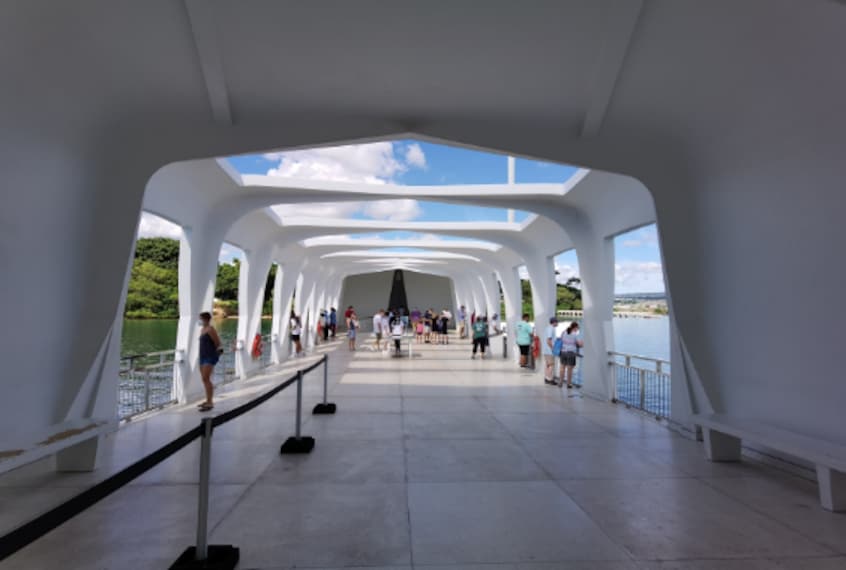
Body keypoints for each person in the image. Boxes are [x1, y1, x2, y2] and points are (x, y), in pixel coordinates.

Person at [197, 311, 222, 412]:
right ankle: (207, 400)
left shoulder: (211, 330)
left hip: (209, 357)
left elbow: (217, 343)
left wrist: (214, 354)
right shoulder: (202, 329)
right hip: (202, 357)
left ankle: (210, 402)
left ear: (206, 319)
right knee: (204, 379)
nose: (200, 320)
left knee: (206, 378)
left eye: (201, 318)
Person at [559, 321, 584, 389]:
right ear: (575, 327)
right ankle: (569, 384)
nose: (577, 329)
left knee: (562, 368)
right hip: (571, 353)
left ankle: (560, 382)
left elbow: (561, 339)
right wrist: (583, 343)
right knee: (569, 369)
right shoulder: (574, 334)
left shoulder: (564, 332)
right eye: (577, 328)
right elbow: (579, 344)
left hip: (563, 352)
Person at [542, 316, 559, 385]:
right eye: (557, 322)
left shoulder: (547, 328)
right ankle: (550, 379)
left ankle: (546, 378)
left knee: (548, 365)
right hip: (549, 350)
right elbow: (549, 340)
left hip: (546, 350)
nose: (558, 323)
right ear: (554, 322)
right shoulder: (551, 329)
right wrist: (553, 348)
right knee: (551, 365)